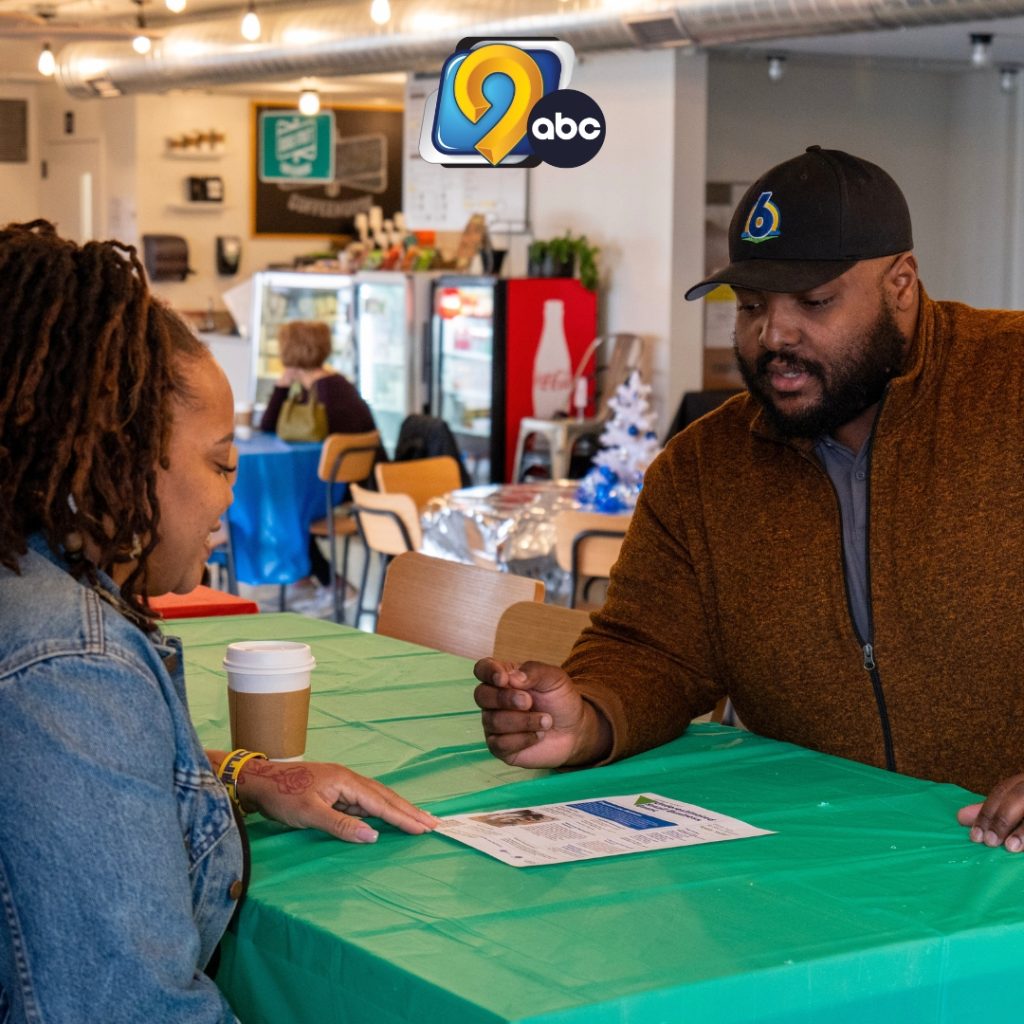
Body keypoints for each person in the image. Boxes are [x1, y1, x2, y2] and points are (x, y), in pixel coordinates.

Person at [473, 146, 1024, 854]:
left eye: (815, 302)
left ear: (902, 285)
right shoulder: (703, 469)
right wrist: (588, 717)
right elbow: (651, 650)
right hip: (813, 860)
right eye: (752, 306)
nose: (775, 336)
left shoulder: (1008, 384)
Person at [0, 222, 436, 1022]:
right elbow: (132, 1008)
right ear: (118, 454)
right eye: (219, 463)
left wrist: (239, 775)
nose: (229, 498)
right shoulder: (69, 660)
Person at [259, 319, 379, 591]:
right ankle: (312, 579)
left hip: (340, 490)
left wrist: (281, 385)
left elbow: (268, 425)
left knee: (280, 504)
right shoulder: (336, 384)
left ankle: (318, 580)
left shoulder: (320, 394)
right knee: (284, 502)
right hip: (357, 482)